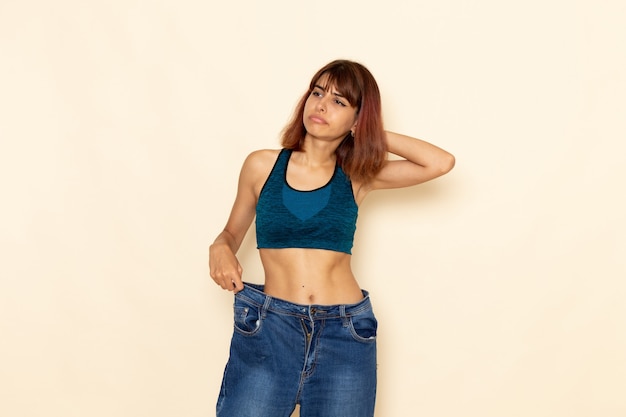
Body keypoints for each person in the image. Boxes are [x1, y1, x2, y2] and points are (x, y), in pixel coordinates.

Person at [209, 59, 455, 417]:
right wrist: (220, 247)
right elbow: (231, 232)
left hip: (345, 331)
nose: (321, 104)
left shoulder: (358, 174)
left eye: (340, 101)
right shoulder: (262, 166)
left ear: (358, 118)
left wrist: (367, 132)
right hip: (271, 325)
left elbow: (440, 162)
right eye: (317, 92)